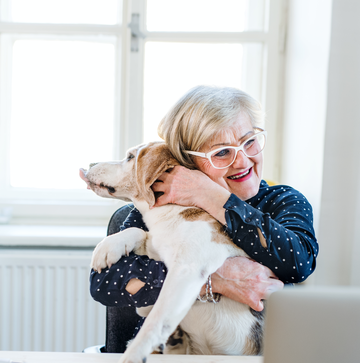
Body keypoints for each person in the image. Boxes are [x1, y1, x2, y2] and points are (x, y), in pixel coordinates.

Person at [89, 85, 318, 322]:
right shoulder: (160, 205)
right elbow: (104, 284)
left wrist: (211, 196)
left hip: (255, 357)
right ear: (189, 161)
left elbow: (298, 264)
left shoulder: (283, 200)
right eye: (221, 153)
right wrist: (214, 280)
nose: (242, 161)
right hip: (168, 355)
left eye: (249, 141)